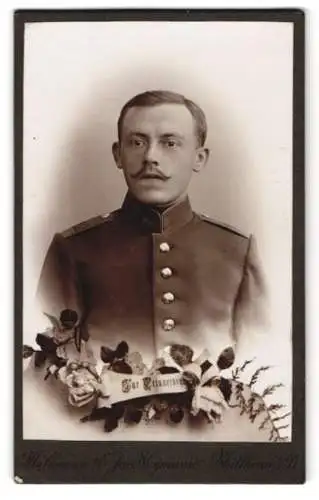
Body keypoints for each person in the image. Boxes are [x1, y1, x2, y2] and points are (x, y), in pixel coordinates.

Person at [36, 90, 268, 367]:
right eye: (136, 142)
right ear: (118, 154)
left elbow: (266, 368)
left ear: (199, 158)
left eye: (170, 143)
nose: (150, 157)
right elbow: (44, 372)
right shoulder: (73, 249)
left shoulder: (237, 251)